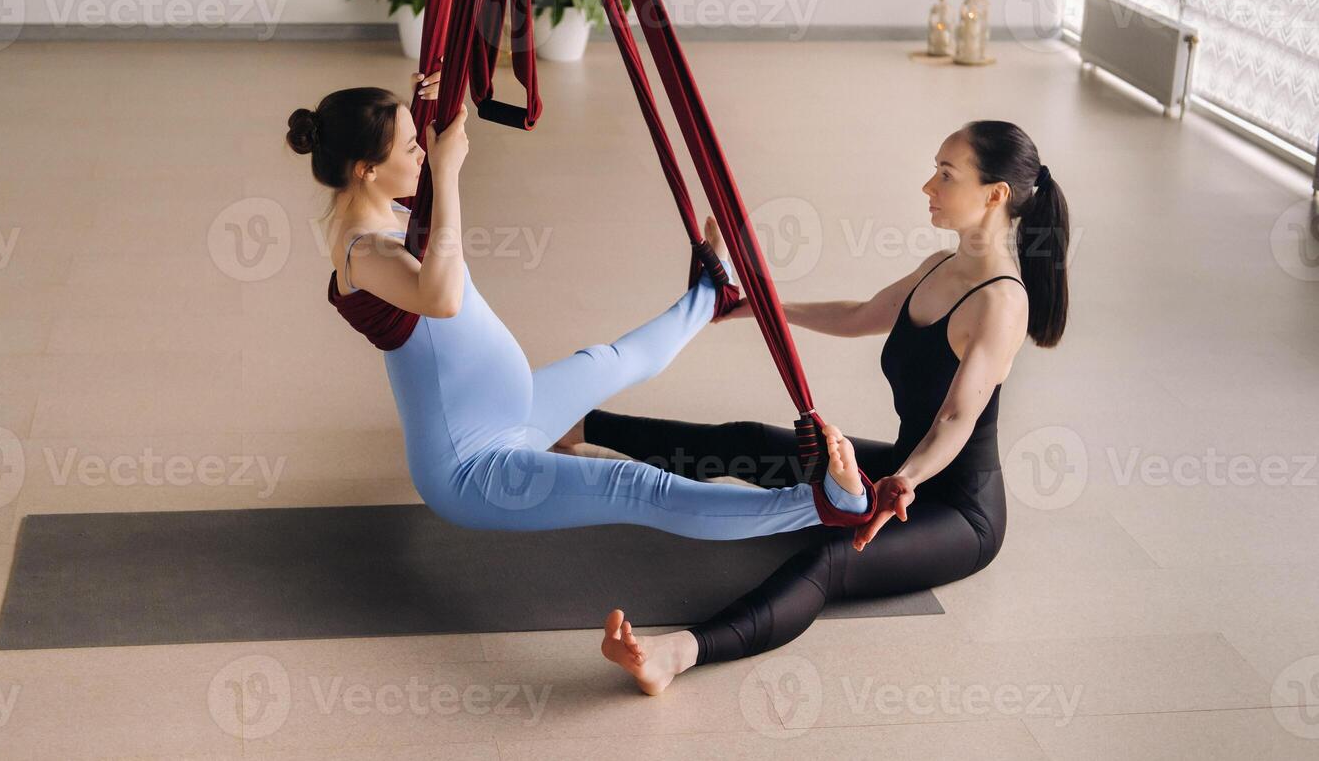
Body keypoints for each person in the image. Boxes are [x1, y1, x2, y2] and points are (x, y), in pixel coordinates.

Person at [564, 121, 1070, 694]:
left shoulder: (1001, 302)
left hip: (955, 510)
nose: (928, 186)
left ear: (995, 194)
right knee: (752, 441)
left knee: (828, 561)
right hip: (898, 476)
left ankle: (674, 655)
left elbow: (957, 418)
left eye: (946, 175)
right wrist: (757, 306)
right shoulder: (939, 267)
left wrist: (900, 481)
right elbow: (859, 316)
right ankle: (576, 425)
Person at [285, 68, 879, 539]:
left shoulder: (383, 210)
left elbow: (427, 214)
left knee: (609, 360)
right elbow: (441, 297)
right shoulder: (366, 254)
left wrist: (425, 119)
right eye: (411, 147)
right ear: (366, 170)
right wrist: (449, 171)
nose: (422, 153)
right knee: (639, 488)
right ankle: (825, 507)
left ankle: (709, 296)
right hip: (476, 470)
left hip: (511, 412)